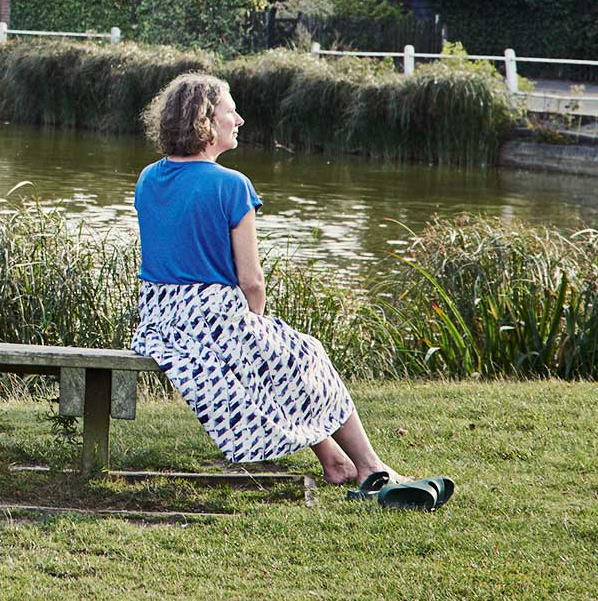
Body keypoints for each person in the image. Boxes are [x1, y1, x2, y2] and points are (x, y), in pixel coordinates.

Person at [129, 72, 451, 507]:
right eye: (230, 111)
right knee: (305, 354)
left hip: (159, 319)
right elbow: (252, 282)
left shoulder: (149, 178)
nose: (239, 119)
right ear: (206, 121)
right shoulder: (231, 185)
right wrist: (253, 322)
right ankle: (372, 468)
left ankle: (337, 462)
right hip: (212, 314)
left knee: (289, 356)